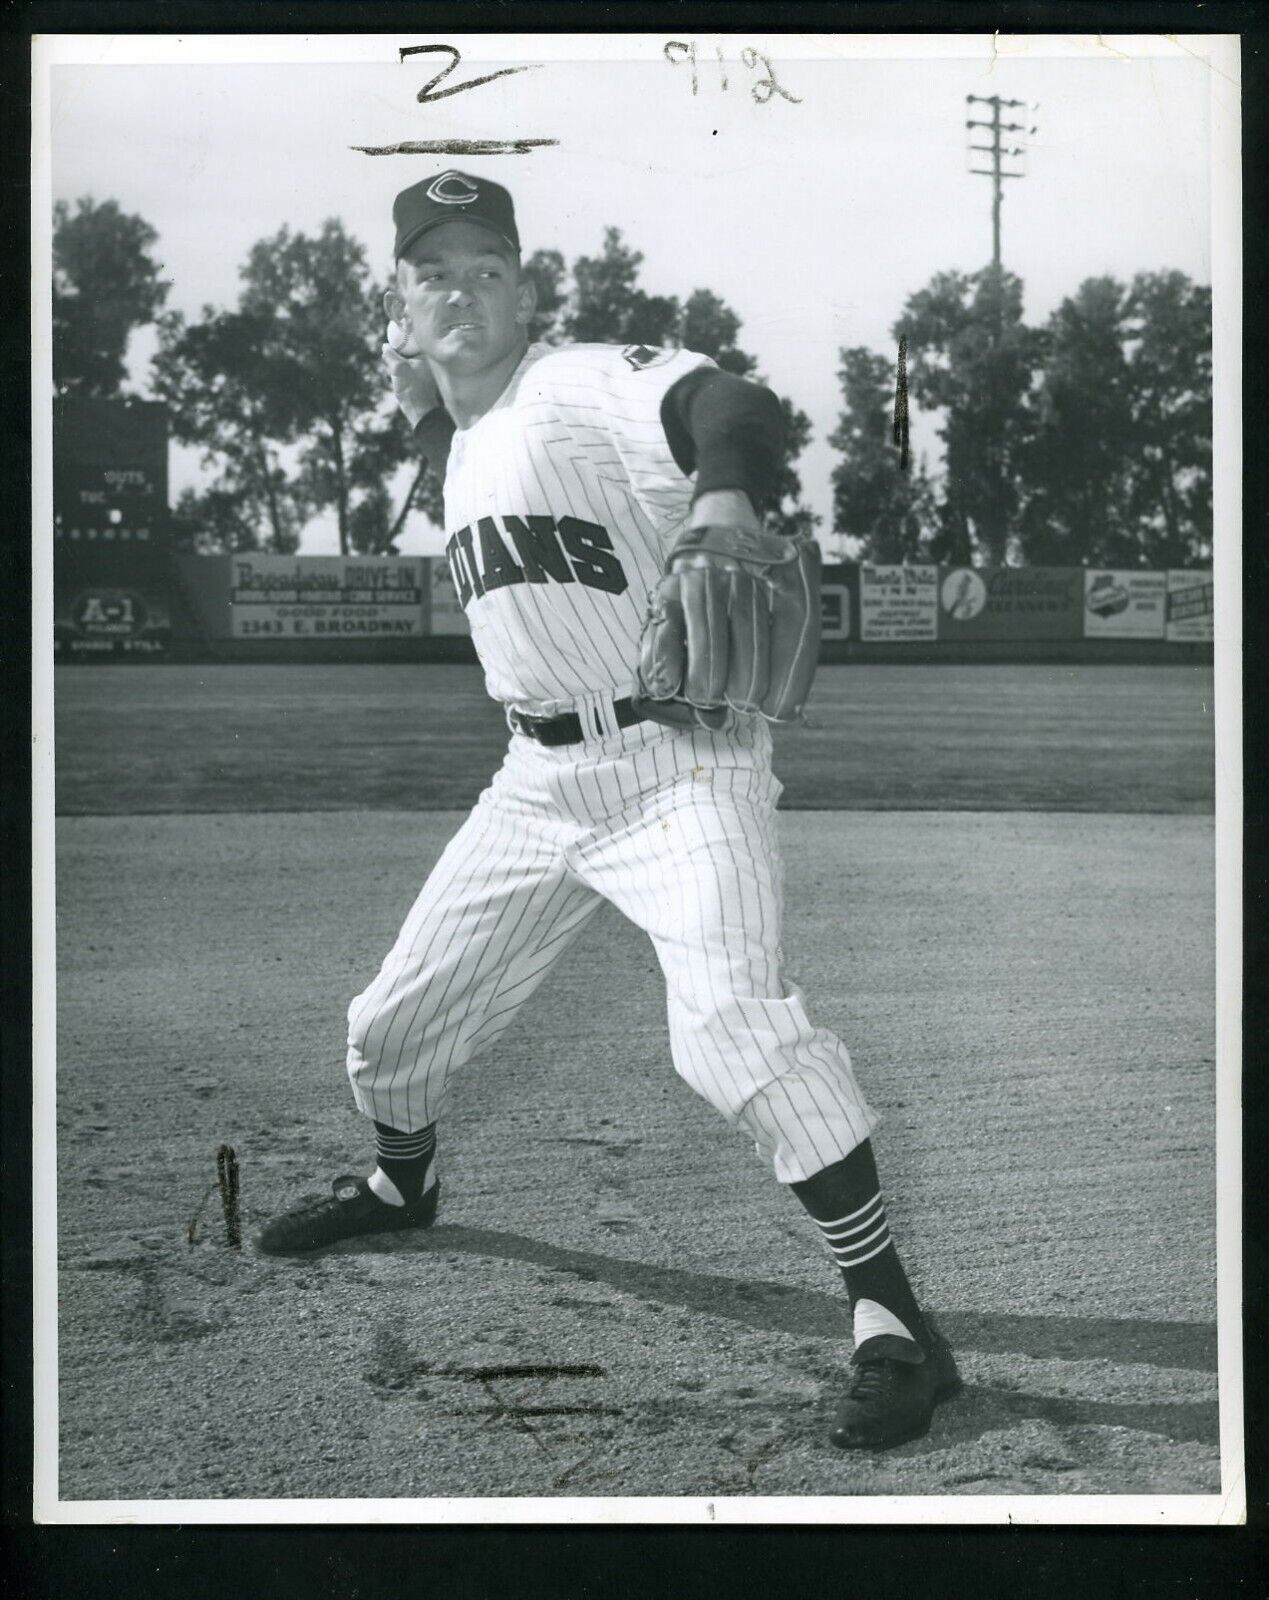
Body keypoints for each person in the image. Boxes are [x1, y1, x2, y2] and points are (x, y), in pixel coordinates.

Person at [257, 170, 960, 1450]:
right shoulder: (461, 441)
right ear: (400, 307)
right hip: (536, 784)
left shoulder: (575, 382)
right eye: (433, 272)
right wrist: (428, 410)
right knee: (389, 1028)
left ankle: (893, 1319)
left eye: (486, 268)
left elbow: (726, 404)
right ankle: (399, 1187)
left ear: (526, 290)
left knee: (733, 1032)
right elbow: (470, 442)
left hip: (680, 766)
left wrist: (724, 488)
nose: (461, 288)